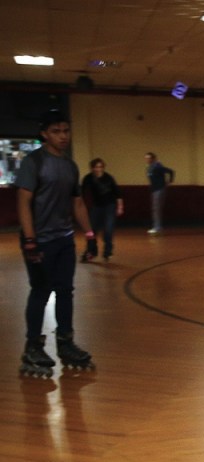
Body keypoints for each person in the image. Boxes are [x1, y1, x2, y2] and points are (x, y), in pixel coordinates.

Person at [15, 109, 95, 377]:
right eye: (56, 132)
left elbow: (77, 203)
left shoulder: (70, 166)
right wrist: (30, 240)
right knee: (40, 291)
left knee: (65, 291)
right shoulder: (34, 162)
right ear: (44, 134)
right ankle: (33, 346)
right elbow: (24, 202)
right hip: (39, 240)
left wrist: (90, 235)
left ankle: (65, 342)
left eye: (66, 131)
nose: (63, 137)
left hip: (63, 239)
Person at [80, 158, 124, 262]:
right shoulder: (88, 178)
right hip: (96, 206)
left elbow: (117, 193)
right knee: (92, 230)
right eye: (96, 167)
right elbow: (81, 193)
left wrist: (120, 207)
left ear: (103, 167)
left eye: (100, 167)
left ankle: (107, 252)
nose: (98, 169)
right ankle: (91, 251)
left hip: (110, 206)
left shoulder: (108, 178)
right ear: (92, 168)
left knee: (108, 230)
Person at [144, 152, 174, 234]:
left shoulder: (158, 167)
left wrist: (170, 181)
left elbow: (171, 171)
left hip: (159, 189)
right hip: (154, 190)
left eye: (149, 158)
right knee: (155, 209)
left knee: (156, 209)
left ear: (153, 159)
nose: (147, 160)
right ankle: (157, 226)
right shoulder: (149, 167)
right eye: (146, 158)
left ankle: (157, 227)